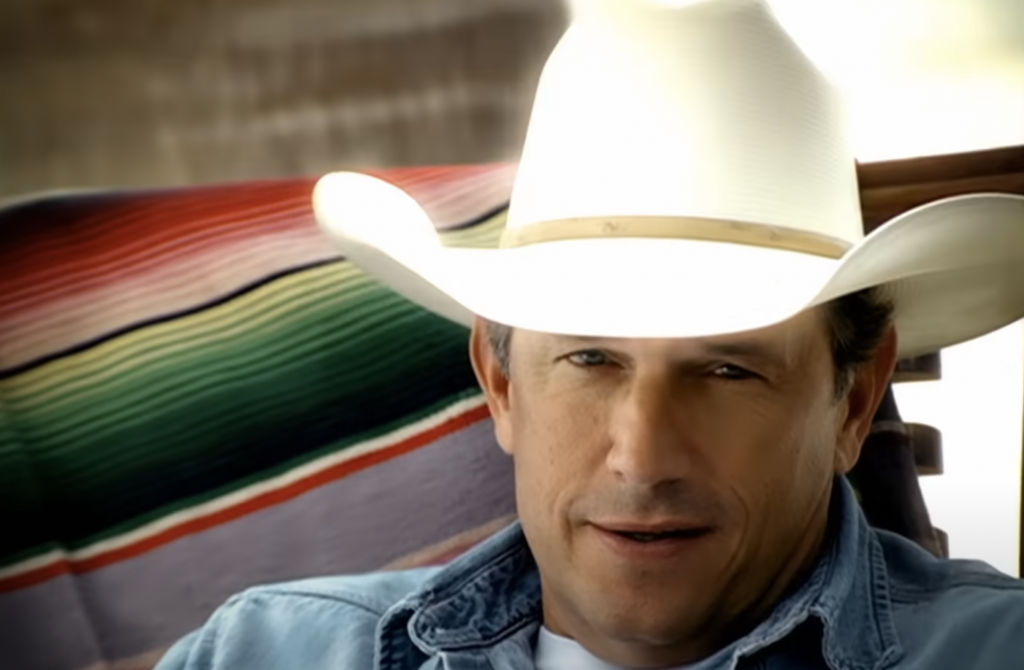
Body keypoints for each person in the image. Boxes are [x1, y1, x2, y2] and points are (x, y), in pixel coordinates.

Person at [156, 0, 1024, 668]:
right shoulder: (264, 651)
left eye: (727, 369)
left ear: (854, 401)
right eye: (590, 358)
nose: (642, 460)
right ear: (500, 384)